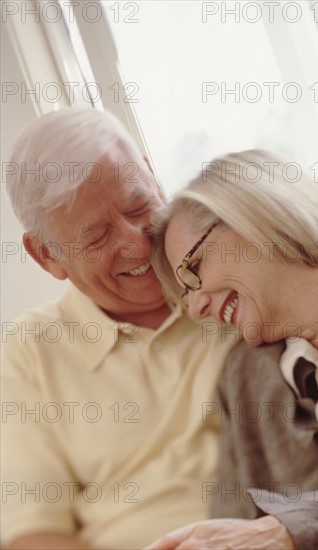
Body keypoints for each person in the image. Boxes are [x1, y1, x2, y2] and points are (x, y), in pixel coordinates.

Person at [1, 108, 237, 550]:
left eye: (138, 206)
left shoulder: (235, 276)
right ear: (46, 255)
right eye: (96, 238)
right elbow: (34, 535)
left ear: (152, 175)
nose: (136, 242)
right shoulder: (30, 351)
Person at [148, 150, 318, 549]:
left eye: (192, 271)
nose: (196, 307)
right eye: (185, 299)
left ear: (256, 217)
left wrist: (289, 529)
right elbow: (228, 528)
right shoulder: (245, 379)